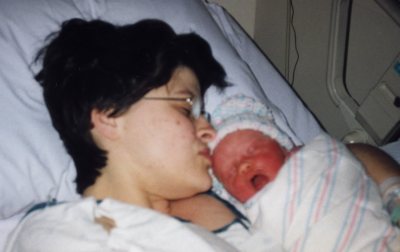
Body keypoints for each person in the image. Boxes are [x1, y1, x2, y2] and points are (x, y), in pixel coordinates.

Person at [5, 18, 252, 252]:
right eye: (186, 108)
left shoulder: (232, 212)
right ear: (109, 115)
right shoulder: (58, 233)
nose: (209, 132)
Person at [205, 94, 400, 251]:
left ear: (284, 149)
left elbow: (348, 158)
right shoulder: (249, 222)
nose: (243, 166)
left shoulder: (313, 159)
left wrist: (393, 191)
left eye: (252, 151)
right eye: (231, 173)